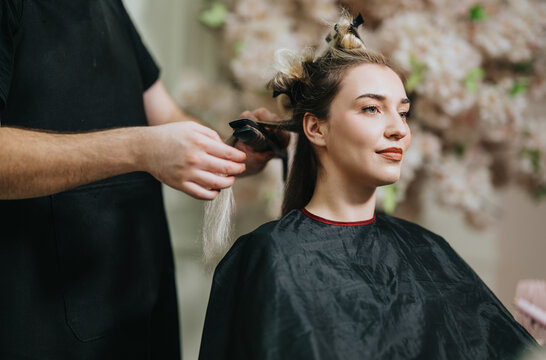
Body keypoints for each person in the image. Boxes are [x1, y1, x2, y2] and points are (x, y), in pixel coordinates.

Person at [198, 12, 538, 359]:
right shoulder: (269, 255)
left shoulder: (427, 249)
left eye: (402, 112)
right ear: (317, 128)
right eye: (372, 109)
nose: (398, 130)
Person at [0, 1, 277, 359]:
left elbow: (165, 116)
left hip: (137, 307)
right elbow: (148, 142)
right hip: (42, 323)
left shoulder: (107, 6)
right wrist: (138, 148)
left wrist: (231, 152)